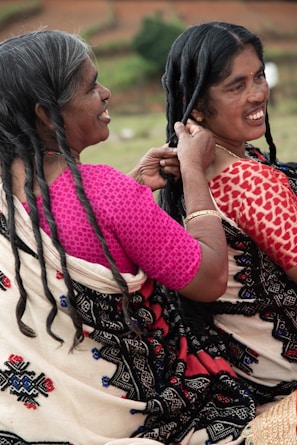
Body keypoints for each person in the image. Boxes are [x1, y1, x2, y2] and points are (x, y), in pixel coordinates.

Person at [0, 29, 256, 445]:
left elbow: (73, 229)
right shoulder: (103, 193)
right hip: (136, 412)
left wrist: (133, 187)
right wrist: (193, 173)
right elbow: (209, 280)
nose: (105, 93)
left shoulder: (9, 202)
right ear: (47, 113)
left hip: (41, 420)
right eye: (90, 86)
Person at [159, 22, 297, 444]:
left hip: (242, 372)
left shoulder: (190, 171)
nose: (257, 94)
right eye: (236, 86)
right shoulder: (248, 179)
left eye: (258, 77)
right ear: (195, 105)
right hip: (284, 370)